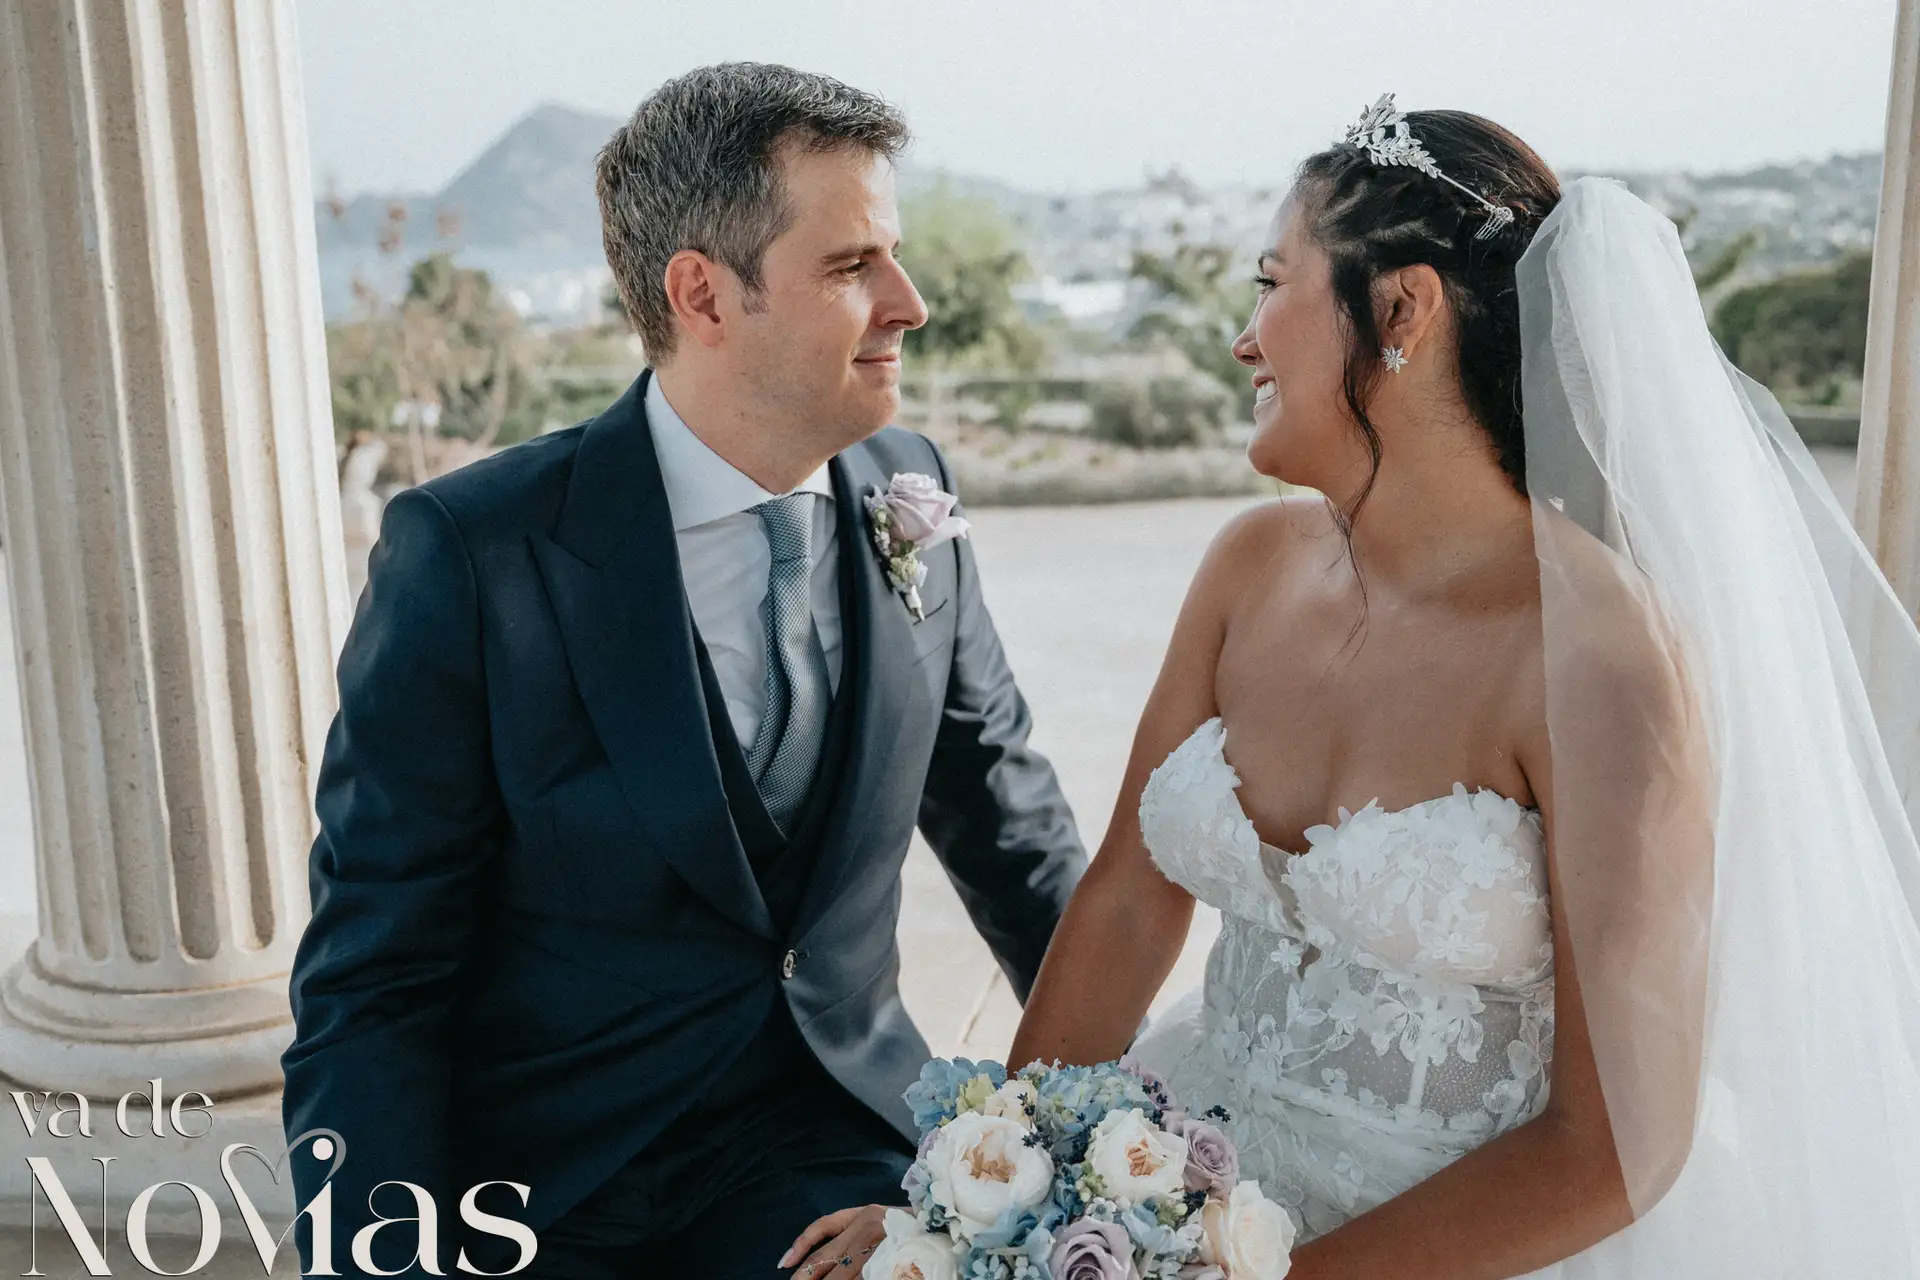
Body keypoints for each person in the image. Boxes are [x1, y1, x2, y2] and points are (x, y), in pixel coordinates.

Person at [798, 96, 1920, 1277]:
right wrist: (963, 1198)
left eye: (1271, 283)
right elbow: (1127, 903)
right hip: (1188, 1187)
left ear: (1402, 310)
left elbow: (1615, 1147)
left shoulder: (1598, 657)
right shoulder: (1249, 566)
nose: (1245, 339)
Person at [282, 62, 1086, 1280]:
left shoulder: (911, 490)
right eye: (852, 265)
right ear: (703, 293)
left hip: (832, 1155)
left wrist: (1106, 1126)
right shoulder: (478, 552)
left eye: (895, 257)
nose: (910, 303)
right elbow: (377, 973)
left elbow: (1012, 836)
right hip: (548, 1189)